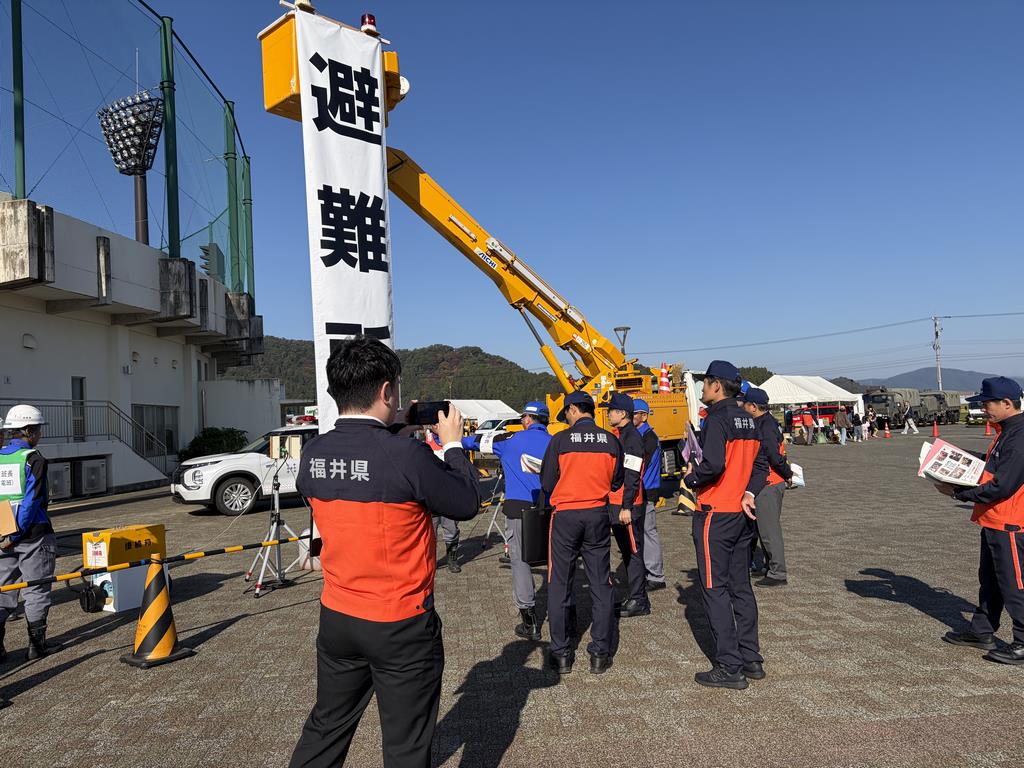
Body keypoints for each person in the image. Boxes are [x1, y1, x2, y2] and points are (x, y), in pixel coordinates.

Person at [289, 337, 481, 768]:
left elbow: (363, 459)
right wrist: (452, 445)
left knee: (326, 726)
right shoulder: (407, 456)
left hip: (338, 615)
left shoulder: (314, 452)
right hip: (399, 622)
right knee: (405, 744)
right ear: (386, 390)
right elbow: (466, 502)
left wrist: (395, 429)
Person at [682, 361, 767, 690]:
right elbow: (761, 465)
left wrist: (692, 478)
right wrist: (750, 493)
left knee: (714, 589)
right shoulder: (749, 418)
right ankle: (751, 658)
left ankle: (729, 666)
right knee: (741, 587)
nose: (702, 389)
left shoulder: (716, 418)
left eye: (705, 383)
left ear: (717, 385)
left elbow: (714, 464)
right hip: (741, 513)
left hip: (715, 513)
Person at [938, 376, 1024, 666]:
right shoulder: (1007, 431)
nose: (983, 409)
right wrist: (956, 457)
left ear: (1007, 403)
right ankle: (982, 630)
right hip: (995, 519)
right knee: (990, 581)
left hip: (1011, 522)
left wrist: (958, 493)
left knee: (1014, 584)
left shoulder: (1019, 436)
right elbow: (991, 466)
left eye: (987, 403)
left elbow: (1002, 485)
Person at [540, 391, 623, 675]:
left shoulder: (560, 440)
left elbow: (547, 482)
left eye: (566, 413)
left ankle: (562, 654)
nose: (566, 418)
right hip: (598, 514)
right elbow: (617, 481)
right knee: (601, 583)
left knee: (560, 583)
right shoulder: (610, 441)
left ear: (573, 409)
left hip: (565, 515)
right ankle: (600, 653)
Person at [461, 401, 552, 640]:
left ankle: (530, 622)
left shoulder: (510, 441)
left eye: (523, 417)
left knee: (520, 561)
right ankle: (565, 614)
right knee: (556, 561)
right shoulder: (556, 442)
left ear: (528, 419)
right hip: (552, 509)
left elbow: (473, 442)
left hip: (519, 510)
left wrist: (451, 437)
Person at [0, 404, 58, 662]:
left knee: (3, 589)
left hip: (2, 533)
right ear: (28, 431)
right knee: (36, 589)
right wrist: (16, 533)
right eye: (37, 430)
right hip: (33, 533)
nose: (39, 434)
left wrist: (5, 535)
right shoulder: (34, 459)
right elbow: (32, 501)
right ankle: (37, 646)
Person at [602, 393, 649, 618]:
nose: (607, 414)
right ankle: (634, 595)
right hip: (617, 501)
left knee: (633, 552)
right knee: (628, 552)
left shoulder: (632, 438)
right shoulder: (621, 435)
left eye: (610, 410)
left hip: (627, 504)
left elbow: (632, 474)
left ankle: (639, 600)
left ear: (622, 414)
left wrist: (626, 506)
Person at [741, 389, 794, 586]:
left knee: (769, 530)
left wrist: (788, 473)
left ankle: (777, 573)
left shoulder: (766, 426)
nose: (742, 406)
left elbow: (773, 456)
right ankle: (769, 567)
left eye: (745, 403)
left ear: (753, 407)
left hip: (769, 482)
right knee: (763, 528)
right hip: (768, 482)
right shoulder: (767, 422)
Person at [633, 398, 666, 592]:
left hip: (646, 490)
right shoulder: (641, 435)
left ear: (644, 416)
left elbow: (640, 463)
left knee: (648, 532)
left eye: (633, 414)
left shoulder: (648, 437)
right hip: (641, 489)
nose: (629, 417)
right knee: (643, 533)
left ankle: (655, 575)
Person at [425, 425, 462, 573]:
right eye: (434, 423)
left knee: (451, 529)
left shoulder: (453, 440)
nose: (436, 426)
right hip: (431, 495)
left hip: (449, 494)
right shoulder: (424, 439)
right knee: (430, 532)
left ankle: (452, 559)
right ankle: (430, 561)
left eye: (439, 423)